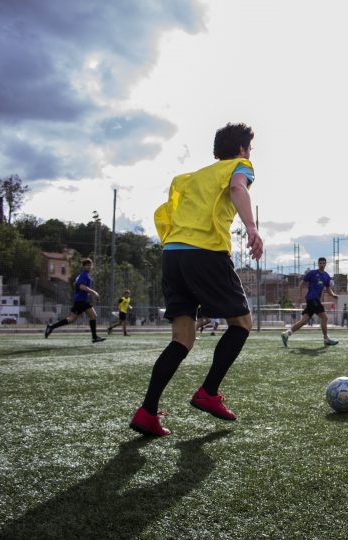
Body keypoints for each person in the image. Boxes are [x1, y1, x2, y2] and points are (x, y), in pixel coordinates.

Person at [129, 122, 263, 437]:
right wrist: (253, 228)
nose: (250, 154)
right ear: (243, 149)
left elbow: (165, 213)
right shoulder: (240, 166)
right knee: (242, 323)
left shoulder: (188, 179)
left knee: (182, 339)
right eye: (250, 149)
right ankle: (208, 392)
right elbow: (237, 187)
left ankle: (147, 412)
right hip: (205, 251)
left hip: (172, 254)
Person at [45, 258, 106, 343]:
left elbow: (76, 284)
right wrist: (93, 292)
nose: (89, 267)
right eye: (87, 265)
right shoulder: (84, 274)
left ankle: (51, 327)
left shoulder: (82, 275)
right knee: (88, 317)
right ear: (83, 266)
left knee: (75, 318)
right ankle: (94, 337)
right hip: (81, 300)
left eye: (90, 265)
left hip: (81, 300)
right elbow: (81, 286)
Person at [281, 257, 339, 347]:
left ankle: (286, 334)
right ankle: (326, 339)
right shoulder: (312, 273)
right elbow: (302, 283)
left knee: (304, 321)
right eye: (320, 263)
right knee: (325, 318)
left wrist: (333, 295)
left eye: (323, 263)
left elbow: (328, 288)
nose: (322, 265)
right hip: (312, 299)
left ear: (325, 264)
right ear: (318, 264)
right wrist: (300, 295)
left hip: (314, 300)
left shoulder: (326, 276)